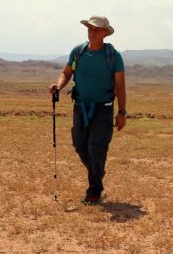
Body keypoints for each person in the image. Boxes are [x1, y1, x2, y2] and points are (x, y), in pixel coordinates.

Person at [48, 15, 126, 206]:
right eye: (90, 28)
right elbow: (66, 73)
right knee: (80, 146)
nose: (92, 32)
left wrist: (122, 112)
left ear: (105, 33)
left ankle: (94, 190)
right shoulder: (78, 52)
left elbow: (120, 86)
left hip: (104, 108)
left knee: (96, 147)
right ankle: (97, 172)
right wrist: (58, 86)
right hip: (80, 106)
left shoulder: (113, 57)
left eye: (96, 29)